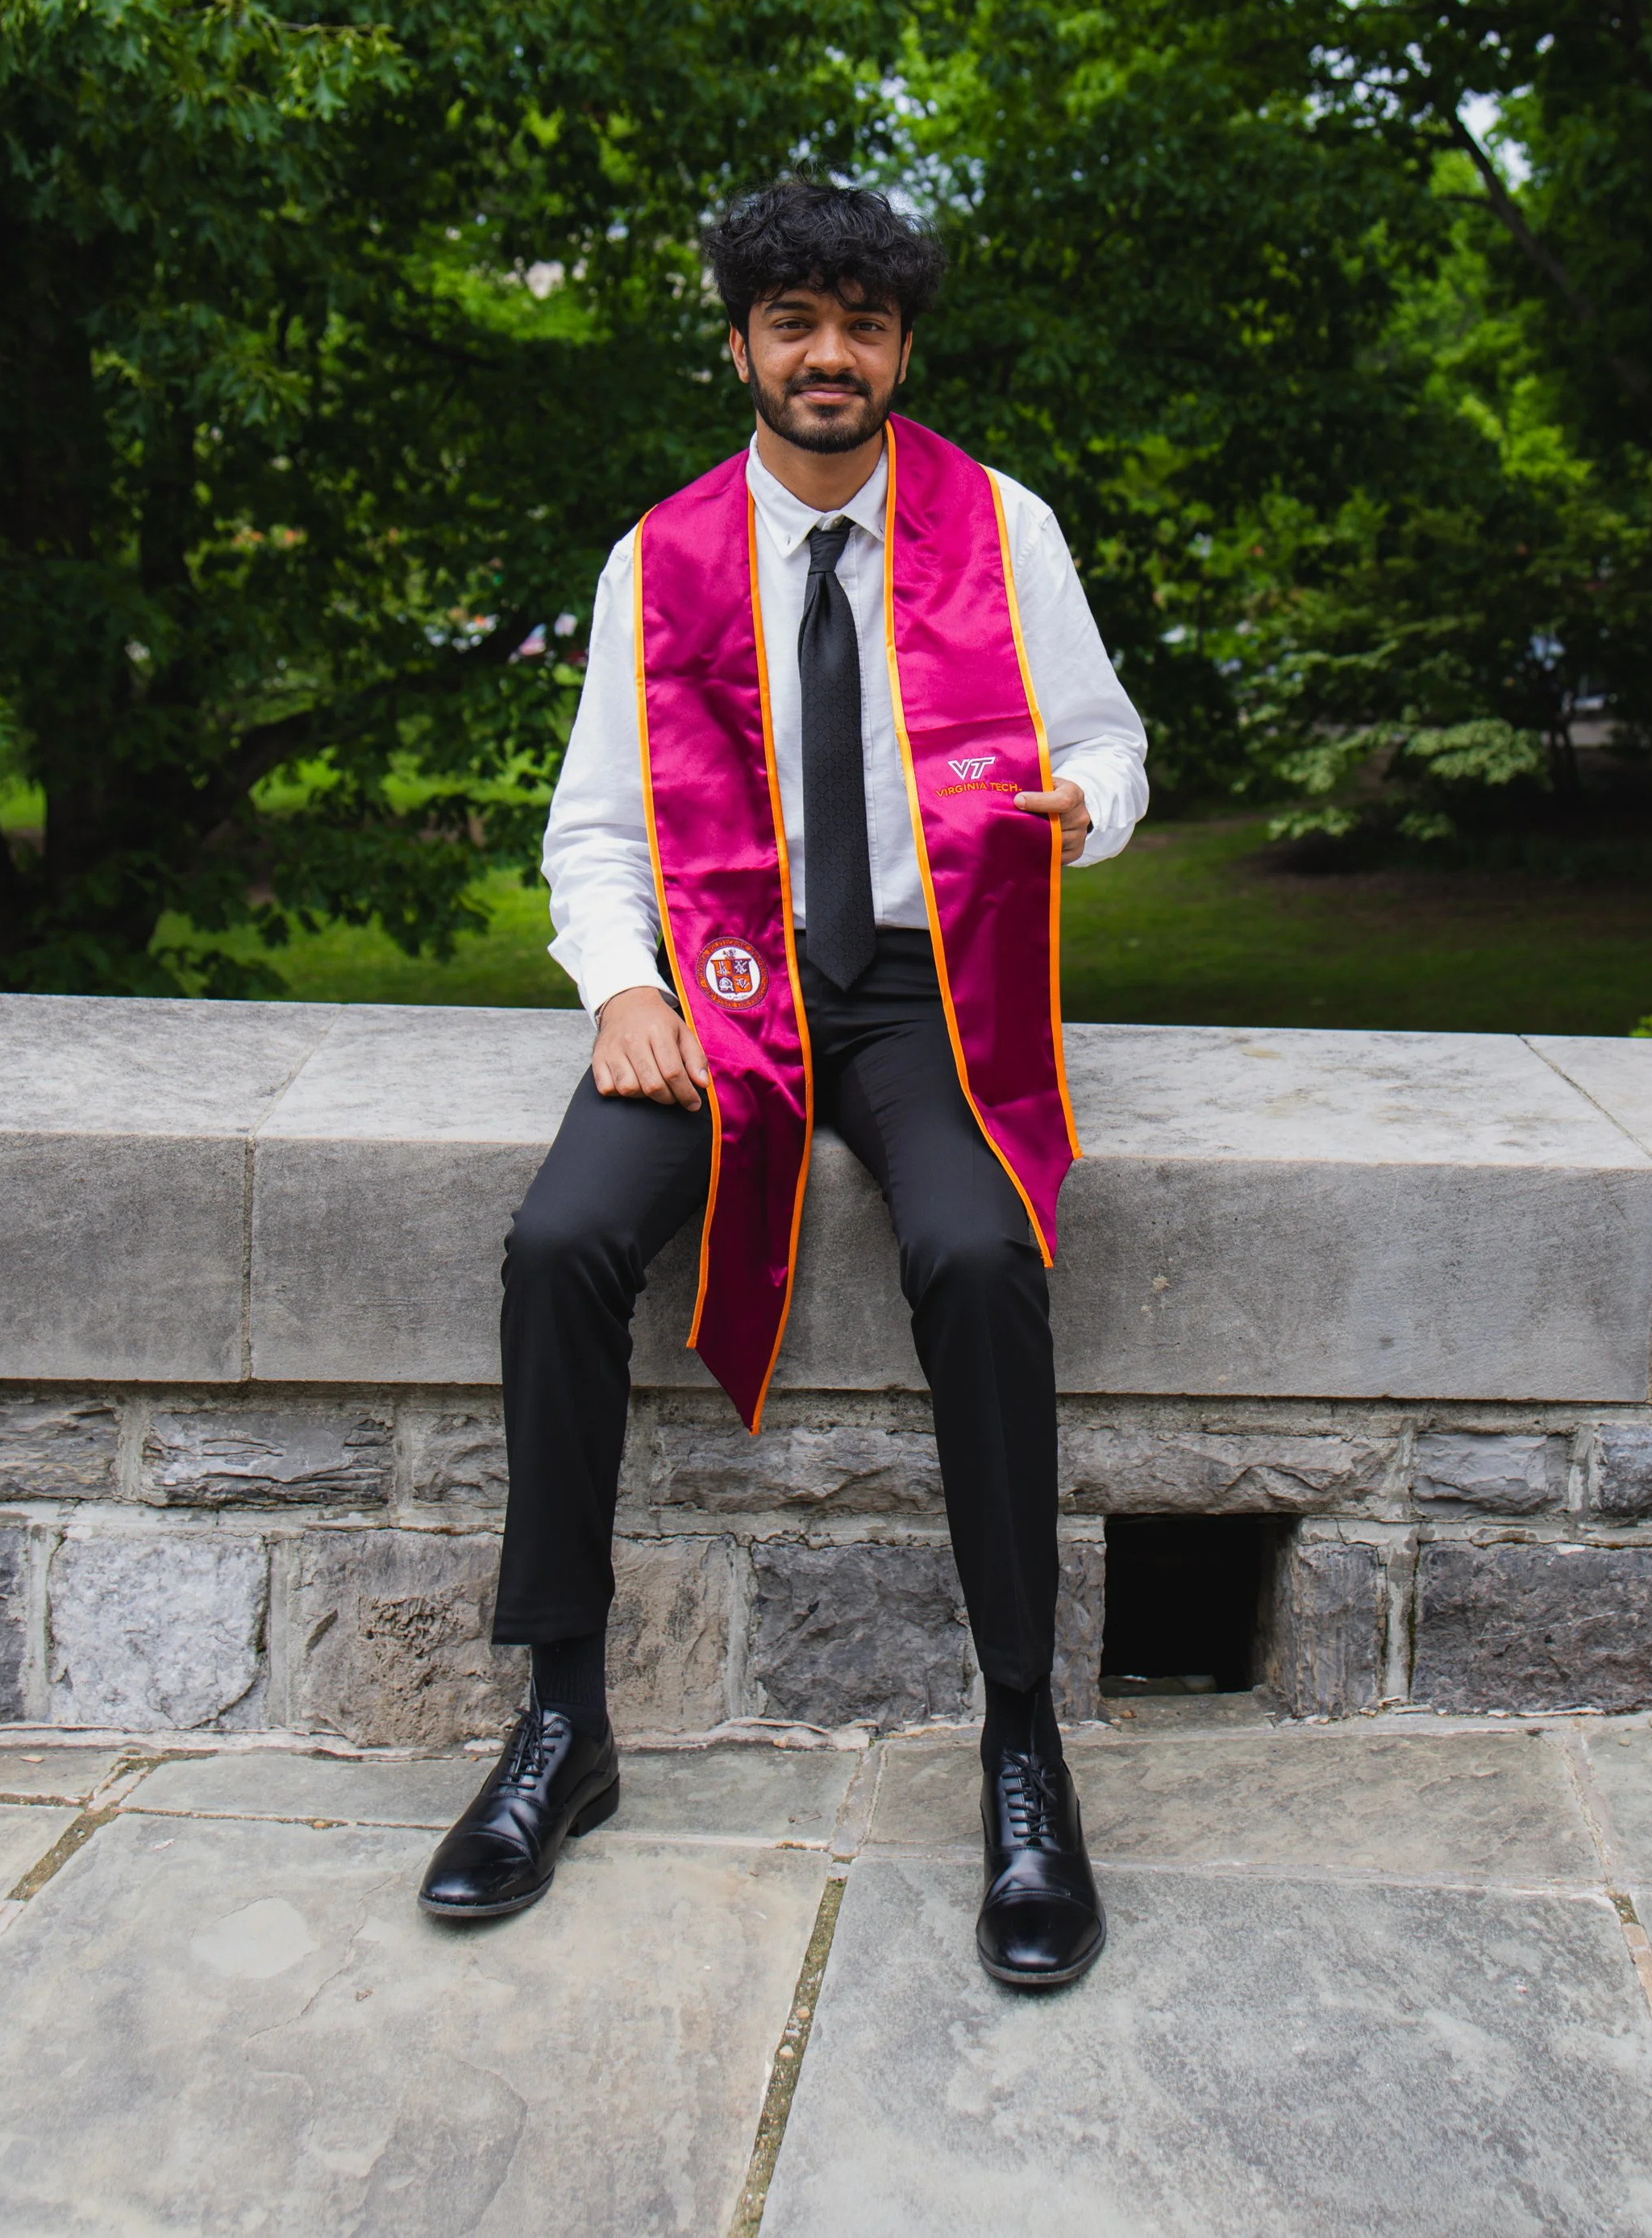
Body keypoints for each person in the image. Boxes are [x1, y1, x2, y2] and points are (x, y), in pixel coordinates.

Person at [418, 180, 1149, 1988]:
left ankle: (1019, 1748)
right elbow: (591, 827)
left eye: (864, 325)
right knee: (559, 1244)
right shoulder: (656, 557)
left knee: (982, 1264)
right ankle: (561, 1724)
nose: (830, 356)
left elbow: (1105, 738)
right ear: (739, 341)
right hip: (720, 986)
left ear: (900, 348)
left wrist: (1089, 809)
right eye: (793, 322)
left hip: (924, 995)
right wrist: (619, 988)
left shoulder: (1002, 527)